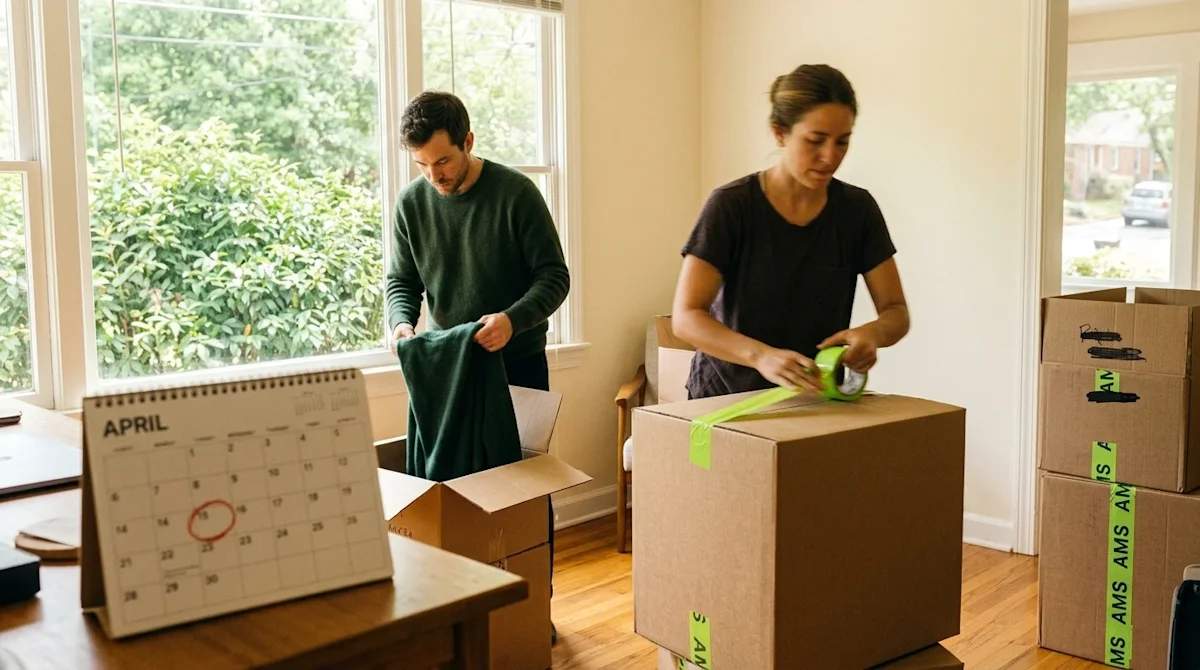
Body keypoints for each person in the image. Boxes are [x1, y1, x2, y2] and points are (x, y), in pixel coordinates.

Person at [385, 90, 569, 643]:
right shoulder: (412, 203)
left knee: (521, 494)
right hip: (447, 373)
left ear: (468, 142)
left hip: (516, 367)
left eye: (442, 160)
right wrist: (401, 326)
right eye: (422, 165)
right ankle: (452, 611)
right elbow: (401, 283)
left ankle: (535, 604)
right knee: (447, 492)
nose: (434, 176)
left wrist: (513, 320)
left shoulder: (516, 194)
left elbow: (554, 278)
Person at [672, 64, 909, 400]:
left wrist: (872, 334)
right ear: (780, 133)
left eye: (842, 142)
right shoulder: (731, 206)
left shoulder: (858, 211)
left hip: (816, 398)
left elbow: (896, 311)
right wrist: (761, 356)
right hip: (726, 399)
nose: (830, 156)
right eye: (815, 141)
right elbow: (686, 318)